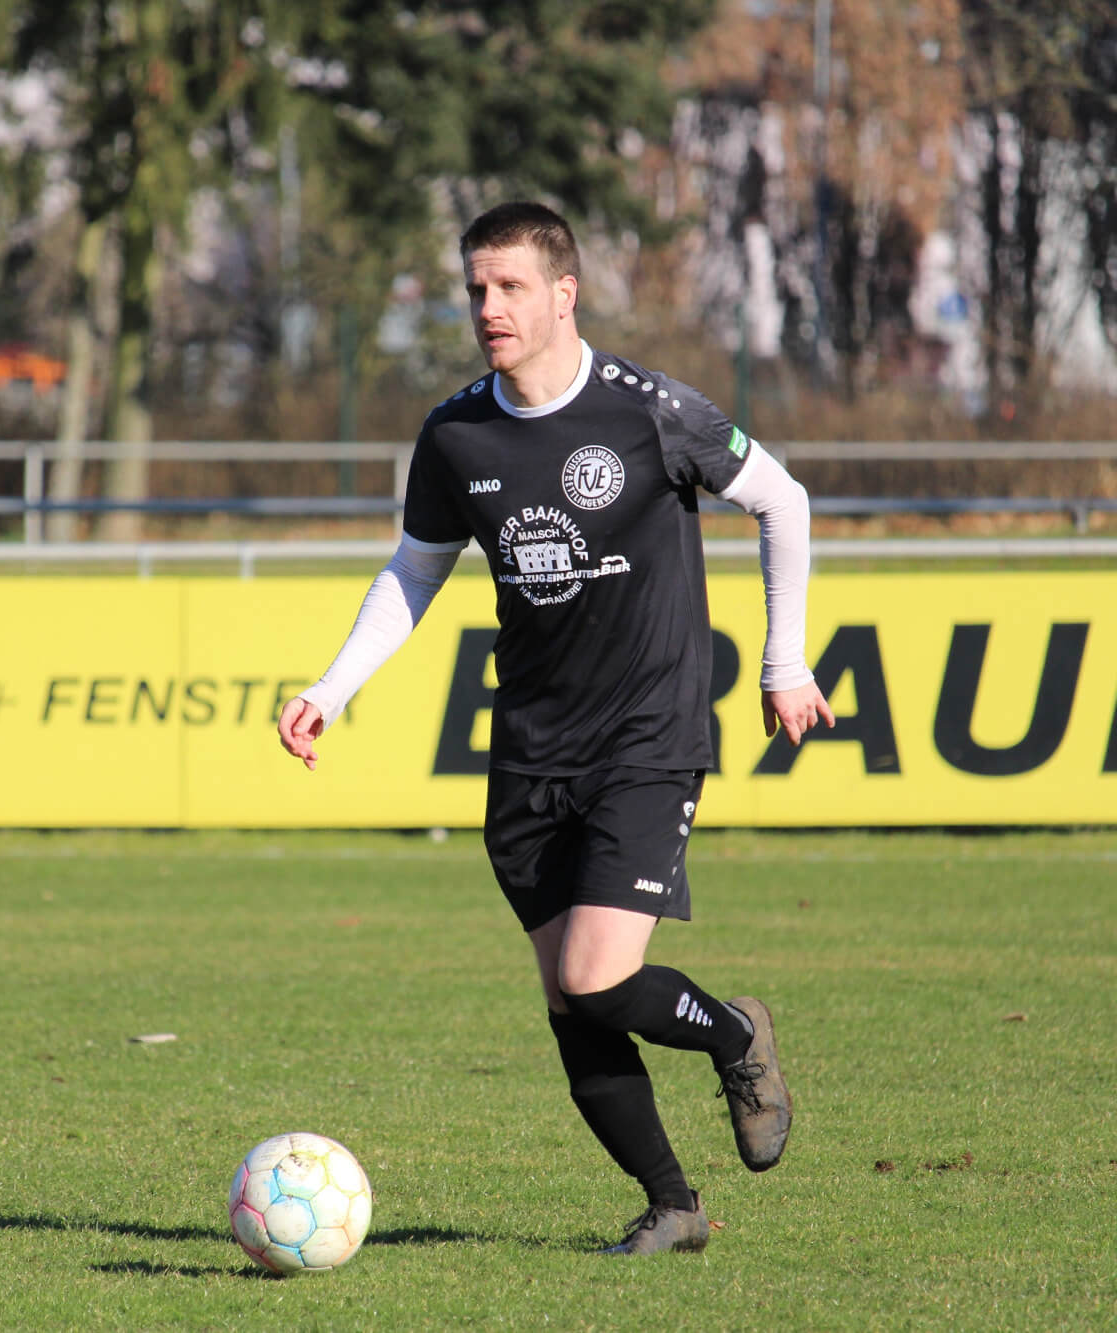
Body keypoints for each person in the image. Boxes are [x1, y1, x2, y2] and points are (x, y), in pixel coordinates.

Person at [277, 201, 834, 1256]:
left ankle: (734, 1034)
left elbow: (783, 500)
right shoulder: (455, 434)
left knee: (594, 975)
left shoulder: (648, 410)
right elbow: (415, 571)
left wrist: (783, 661)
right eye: (476, 288)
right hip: (531, 747)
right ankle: (673, 1205)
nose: (488, 306)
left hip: (646, 735)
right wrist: (334, 686)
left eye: (510, 287)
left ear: (563, 294)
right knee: (571, 1002)